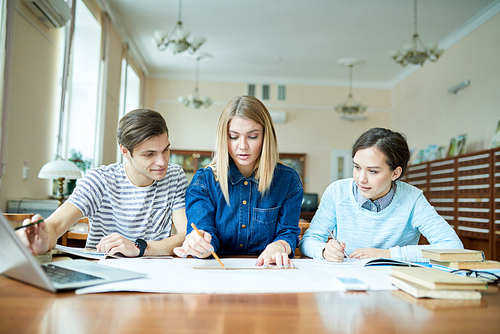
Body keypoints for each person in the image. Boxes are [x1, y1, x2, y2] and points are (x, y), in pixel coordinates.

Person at [17, 109, 188, 257]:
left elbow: (185, 235)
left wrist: (139, 248)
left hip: (157, 274)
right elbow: (55, 226)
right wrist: (43, 239)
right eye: (149, 154)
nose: (162, 162)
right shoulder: (99, 180)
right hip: (103, 272)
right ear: (125, 151)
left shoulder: (174, 176)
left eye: (165, 150)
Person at [173, 95, 303, 268]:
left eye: (253, 136)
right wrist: (201, 245)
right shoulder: (204, 181)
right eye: (233, 137)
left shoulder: (287, 180)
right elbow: (203, 231)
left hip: (267, 272)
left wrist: (279, 246)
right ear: (223, 137)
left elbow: (288, 232)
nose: (242, 146)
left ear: (266, 137)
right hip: (216, 273)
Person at [299, 127, 463, 263]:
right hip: (346, 283)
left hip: (393, 284)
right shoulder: (337, 192)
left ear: (395, 173)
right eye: (357, 167)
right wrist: (323, 250)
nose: (361, 179)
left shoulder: (412, 199)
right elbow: (308, 240)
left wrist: (386, 254)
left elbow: (453, 248)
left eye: (372, 171)